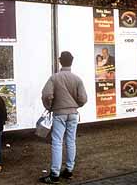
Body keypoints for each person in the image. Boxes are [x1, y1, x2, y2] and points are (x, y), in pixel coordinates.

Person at [39, 51, 87, 184]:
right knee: (71, 141)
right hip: (73, 114)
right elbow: (83, 98)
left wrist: (49, 106)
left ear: (60, 61)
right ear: (72, 61)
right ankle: (69, 170)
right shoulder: (77, 79)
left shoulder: (54, 78)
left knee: (57, 142)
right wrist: (75, 105)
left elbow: (46, 95)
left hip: (59, 113)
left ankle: (54, 174)